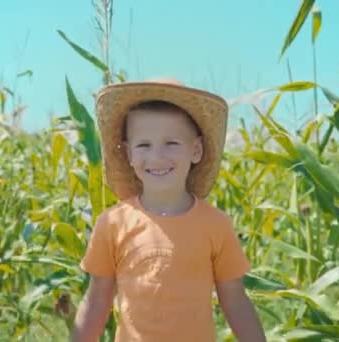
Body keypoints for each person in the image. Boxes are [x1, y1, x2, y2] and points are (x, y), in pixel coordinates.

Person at [71, 78, 267, 341]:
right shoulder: (113, 223)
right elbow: (96, 301)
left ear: (196, 150)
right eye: (144, 145)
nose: (156, 157)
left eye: (171, 143)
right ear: (129, 154)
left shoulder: (215, 225)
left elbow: (235, 300)